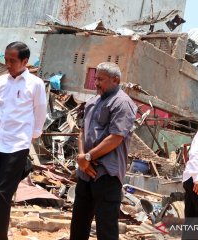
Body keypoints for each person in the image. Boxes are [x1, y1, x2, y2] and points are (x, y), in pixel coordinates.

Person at [0, 41, 47, 240]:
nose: (7, 64)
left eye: (12, 60)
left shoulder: (35, 84)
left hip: (17, 145)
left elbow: (40, 112)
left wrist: (30, 136)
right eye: (6, 60)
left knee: (2, 193)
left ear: (24, 61)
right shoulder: (1, 81)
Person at [70, 62, 137, 240]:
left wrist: (89, 157)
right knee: (78, 224)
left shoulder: (123, 103)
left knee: (106, 229)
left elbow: (116, 137)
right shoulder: (93, 102)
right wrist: (82, 158)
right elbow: (82, 131)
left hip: (107, 175)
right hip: (86, 173)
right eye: (95, 78)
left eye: (101, 79)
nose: (96, 83)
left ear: (115, 80)